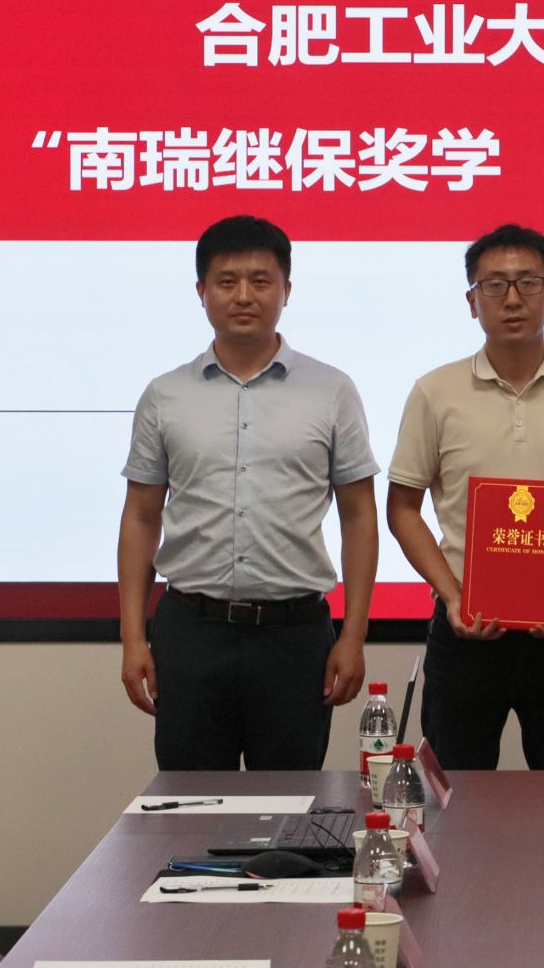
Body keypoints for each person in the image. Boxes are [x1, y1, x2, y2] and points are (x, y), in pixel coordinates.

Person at [116, 215, 381, 770]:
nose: (243, 295)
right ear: (201, 291)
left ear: (286, 290)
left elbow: (358, 515)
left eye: (261, 281)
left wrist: (353, 636)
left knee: (289, 810)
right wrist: (133, 637)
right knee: (189, 805)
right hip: (191, 631)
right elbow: (141, 516)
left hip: (295, 637)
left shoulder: (332, 391)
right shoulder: (165, 395)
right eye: (226, 280)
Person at [387, 224, 544, 770]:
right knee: (454, 798)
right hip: (465, 631)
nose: (513, 298)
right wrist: (452, 595)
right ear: (472, 302)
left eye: (529, 282)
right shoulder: (435, 391)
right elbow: (402, 508)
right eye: (495, 285)